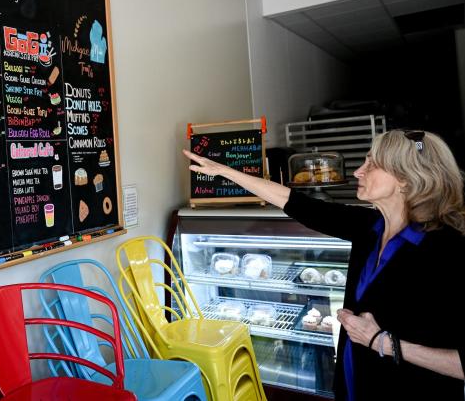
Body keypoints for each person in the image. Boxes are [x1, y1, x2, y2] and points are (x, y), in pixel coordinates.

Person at [183, 129, 465, 400]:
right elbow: (292, 201)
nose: (358, 171)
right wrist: (225, 171)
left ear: (404, 180)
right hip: (354, 385)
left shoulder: (448, 251)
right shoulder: (370, 227)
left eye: (372, 164)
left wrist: (383, 343)